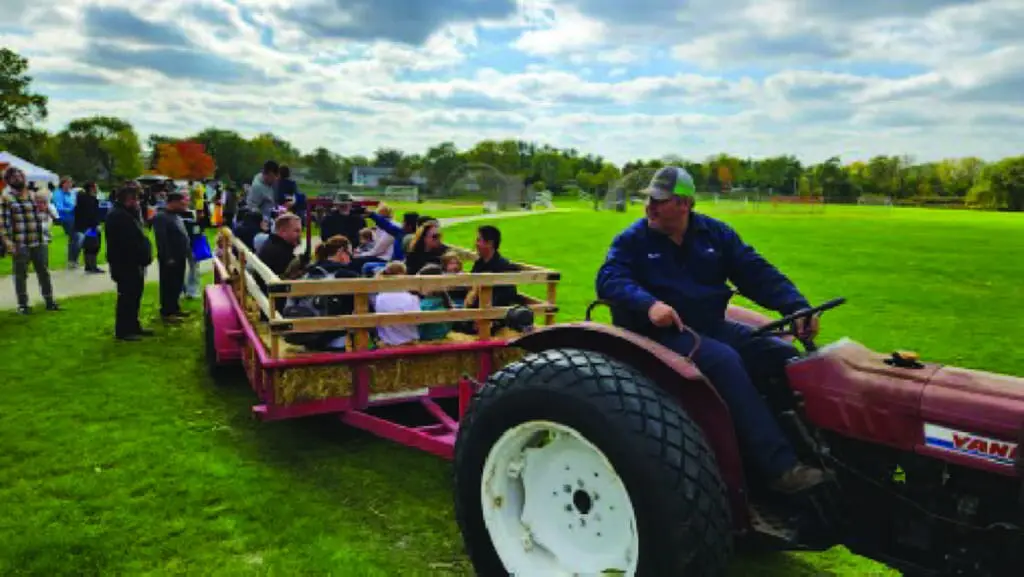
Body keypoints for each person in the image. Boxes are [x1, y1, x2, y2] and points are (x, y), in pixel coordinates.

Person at [595, 166, 825, 495]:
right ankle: (780, 468)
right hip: (659, 334)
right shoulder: (632, 240)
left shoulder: (715, 234)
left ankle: (815, 448)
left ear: (685, 204)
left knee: (782, 355)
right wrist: (649, 304)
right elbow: (610, 279)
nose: (650, 207)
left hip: (710, 325)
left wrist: (796, 306)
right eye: (650, 199)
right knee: (724, 361)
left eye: (659, 200)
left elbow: (755, 272)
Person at [0, 167, 60, 314]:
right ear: (8, 180)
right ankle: (23, 305)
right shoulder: (6, 198)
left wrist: (48, 213)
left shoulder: (33, 195)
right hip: (20, 243)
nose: (18, 178)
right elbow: (2, 223)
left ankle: (49, 301)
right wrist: (7, 242)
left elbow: (46, 211)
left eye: (20, 175)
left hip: (39, 240)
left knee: (44, 272)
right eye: (14, 177)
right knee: (20, 275)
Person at [104, 185, 154, 341]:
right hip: (125, 263)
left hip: (133, 263)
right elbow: (127, 243)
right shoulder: (118, 216)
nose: (138, 202)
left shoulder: (127, 214)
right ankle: (124, 330)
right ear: (128, 199)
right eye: (136, 199)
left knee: (135, 296)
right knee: (127, 297)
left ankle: (133, 325)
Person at [152, 192, 191, 323]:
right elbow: (161, 239)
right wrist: (167, 256)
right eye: (181, 203)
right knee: (168, 284)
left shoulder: (175, 216)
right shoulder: (161, 217)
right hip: (170, 257)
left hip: (180, 255)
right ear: (173, 202)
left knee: (177, 283)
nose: (184, 206)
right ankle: (167, 311)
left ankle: (174, 307)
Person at [468, 225, 521, 307]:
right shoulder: (479, 263)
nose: (476, 244)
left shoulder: (504, 267)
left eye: (478, 240)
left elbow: (506, 297)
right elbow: (470, 285)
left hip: (492, 312)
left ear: (489, 243)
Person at [371, 261, 419, 346]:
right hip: (409, 341)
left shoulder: (379, 297)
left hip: (387, 341)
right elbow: (417, 321)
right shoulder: (412, 298)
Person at [74, 182, 104, 274]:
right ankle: (92, 266)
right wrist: (96, 225)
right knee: (93, 246)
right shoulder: (90, 200)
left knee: (88, 246)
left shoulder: (82, 199)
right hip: (90, 227)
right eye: (96, 187)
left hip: (83, 226)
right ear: (91, 188)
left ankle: (88, 265)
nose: (97, 188)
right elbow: (91, 214)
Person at [52, 177, 79, 269]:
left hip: (74, 217)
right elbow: (59, 208)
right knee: (75, 238)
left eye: (70, 183)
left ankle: (73, 260)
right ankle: (72, 260)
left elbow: (74, 203)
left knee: (76, 239)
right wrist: (72, 208)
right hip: (65, 218)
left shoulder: (72, 193)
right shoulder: (58, 193)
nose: (69, 185)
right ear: (62, 184)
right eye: (67, 183)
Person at [245, 160, 280, 225]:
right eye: (273, 177)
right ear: (269, 174)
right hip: (260, 224)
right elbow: (251, 206)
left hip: (269, 220)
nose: (275, 180)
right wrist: (262, 218)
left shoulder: (270, 184)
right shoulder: (257, 187)